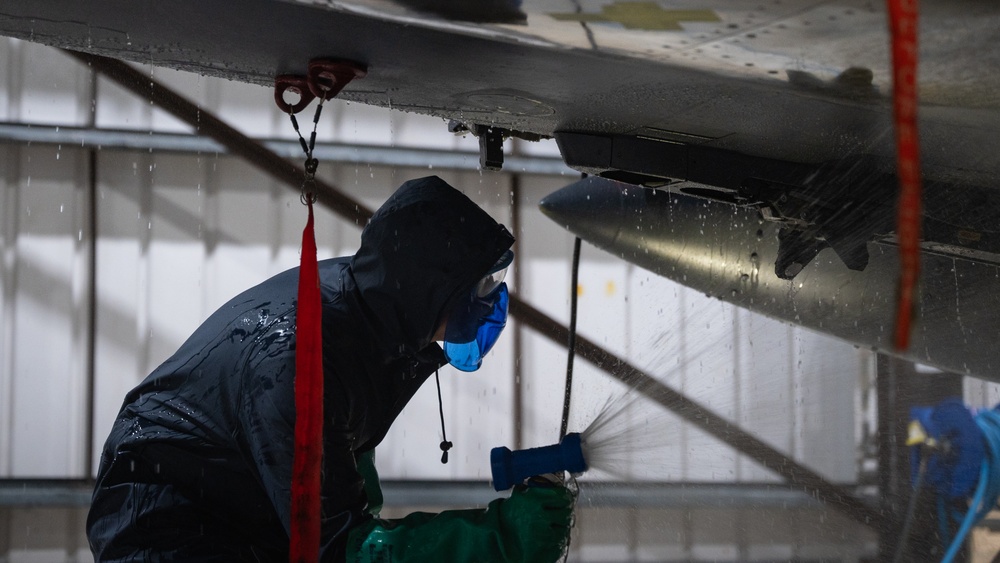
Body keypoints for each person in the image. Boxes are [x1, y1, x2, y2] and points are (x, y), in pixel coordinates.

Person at [86, 176, 574, 562]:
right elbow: (339, 552)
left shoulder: (381, 312)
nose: (491, 299)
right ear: (431, 287)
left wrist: (354, 505)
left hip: (235, 508)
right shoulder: (298, 362)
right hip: (162, 522)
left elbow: (338, 442)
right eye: (482, 284)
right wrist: (504, 541)